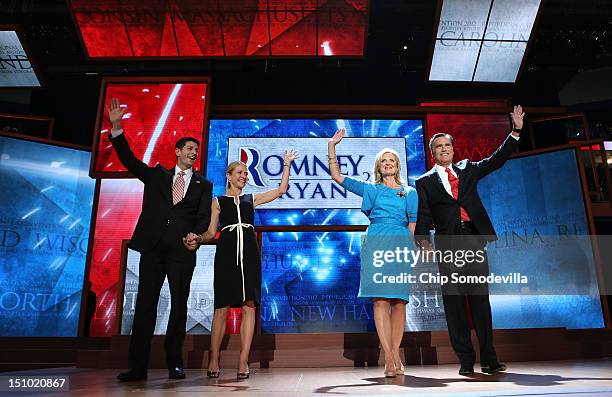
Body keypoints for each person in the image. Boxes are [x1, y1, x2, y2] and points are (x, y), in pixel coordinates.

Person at [107, 98, 213, 382]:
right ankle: (137, 367)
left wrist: (197, 237)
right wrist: (117, 127)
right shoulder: (156, 175)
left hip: (182, 252)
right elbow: (128, 160)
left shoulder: (204, 184)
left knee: (179, 307)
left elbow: (203, 218)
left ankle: (174, 363)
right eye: (189, 148)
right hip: (152, 249)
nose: (193, 152)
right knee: (145, 306)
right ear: (177, 152)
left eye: (196, 150)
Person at [414, 105, 525, 376]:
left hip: (474, 240)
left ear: (453, 149)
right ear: (433, 153)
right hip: (448, 245)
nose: (443, 149)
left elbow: (496, 159)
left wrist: (516, 131)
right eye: (438, 146)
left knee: (479, 301)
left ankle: (489, 359)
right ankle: (465, 361)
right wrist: (423, 241)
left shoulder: (468, 169)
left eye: (447, 145)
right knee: (454, 305)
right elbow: (424, 213)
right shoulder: (424, 182)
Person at [184, 150, 299, 380]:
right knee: (222, 308)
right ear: (228, 176)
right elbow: (209, 231)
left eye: (246, 173)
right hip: (226, 254)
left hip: (249, 254)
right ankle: (214, 358)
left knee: (249, 306)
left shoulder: (251, 199)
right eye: (239, 172)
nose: (244, 176)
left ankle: (243, 361)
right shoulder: (217, 202)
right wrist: (197, 238)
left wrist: (286, 165)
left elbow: (280, 190)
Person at [327, 128, 418, 378]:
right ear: (379, 167)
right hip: (376, 241)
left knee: (399, 301)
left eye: (392, 160)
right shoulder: (370, 189)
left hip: (400, 243)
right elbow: (337, 176)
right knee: (380, 299)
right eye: (384, 161)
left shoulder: (410, 192)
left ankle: (395, 353)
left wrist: (408, 251)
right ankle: (389, 357)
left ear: (397, 166)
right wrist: (332, 146)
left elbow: (412, 225)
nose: (388, 164)